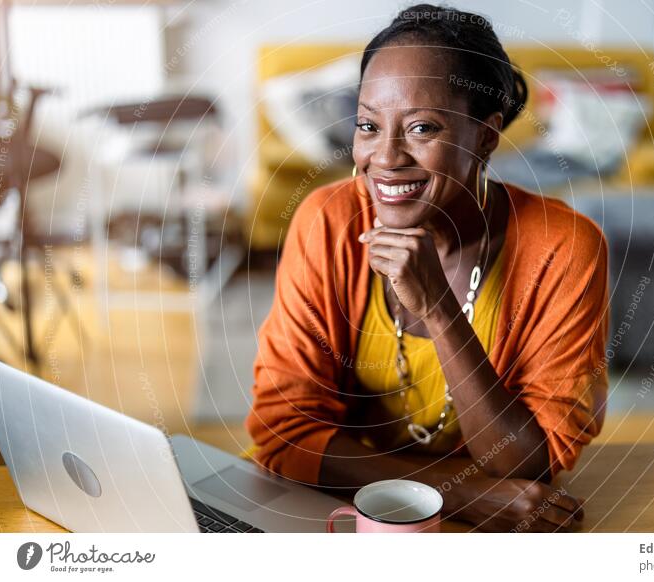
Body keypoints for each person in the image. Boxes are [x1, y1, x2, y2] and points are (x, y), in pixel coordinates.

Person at [245, 3, 609, 532]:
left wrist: (439, 309)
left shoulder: (565, 249)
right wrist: (453, 494)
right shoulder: (327, 223)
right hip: (335, 512)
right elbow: (281, 432)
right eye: (368, 125)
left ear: (486, 137)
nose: (386, 157)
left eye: (421, 128)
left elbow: (532, 465)